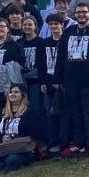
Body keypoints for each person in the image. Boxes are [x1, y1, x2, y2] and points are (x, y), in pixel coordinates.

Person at [55, 3, 89, 157]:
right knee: (75, 112)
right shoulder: (68, 32)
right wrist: (57, 78)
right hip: (70, 81)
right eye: (78, 12)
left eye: (84, 12)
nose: (81, 15)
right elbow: (60, 57)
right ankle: (78, 143)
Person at [0, 85, 37, 171]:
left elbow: (34, 133)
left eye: (16, 92)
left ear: (23, 95)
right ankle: (3, 167)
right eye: (11, 92)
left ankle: (11, 163)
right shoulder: (2, 114)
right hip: (6, 148)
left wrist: (14, 137)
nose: (13, 94)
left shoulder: (29, 113)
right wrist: (2, 138)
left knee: (11, 159)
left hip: (22, 148)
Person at [36, 14, 64, 152]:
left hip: (63, 84)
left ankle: (63, 140)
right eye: (51, 24)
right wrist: (43, 82)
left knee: (62, 113)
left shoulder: (66, 41)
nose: (53, 27)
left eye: (56, 24)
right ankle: (52, 140)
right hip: (48, 82)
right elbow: (41, 64)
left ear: (61, 25)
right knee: (49, 113)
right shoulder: (44, 43)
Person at [19, 15, 43, 132]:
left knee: (36, 109)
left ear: (35, 26)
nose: (27, 27)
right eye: (25, 25)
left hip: (35, 81)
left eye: (30, 24)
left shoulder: (41, 42)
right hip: (21, 82)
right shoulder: (19, 42)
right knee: (23, 109)